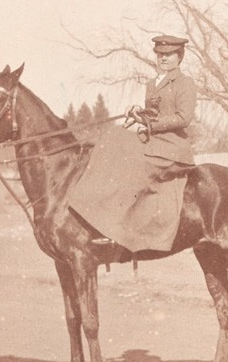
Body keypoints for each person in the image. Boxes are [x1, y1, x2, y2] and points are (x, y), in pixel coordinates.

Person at [68, 35, 197, 254]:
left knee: (122, 150)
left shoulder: (185, 83)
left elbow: (183, 118)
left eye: (169, 55)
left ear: (180, 56)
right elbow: (155, 113)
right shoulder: (152, 83)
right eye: (160, 54)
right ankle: (102, 220)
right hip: (154, 141)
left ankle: (119, 227)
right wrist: (139, 111)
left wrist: (149, 123)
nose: (163, 59)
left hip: (173, 147)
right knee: (113, 136)